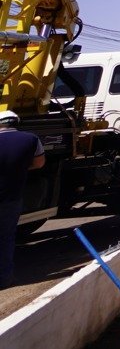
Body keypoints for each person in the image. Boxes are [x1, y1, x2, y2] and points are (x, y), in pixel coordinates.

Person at [0, 109, 45, 289]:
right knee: (6, 238)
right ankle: (4, 279)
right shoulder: (31, 139)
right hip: (11, 198)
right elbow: (39, 163)